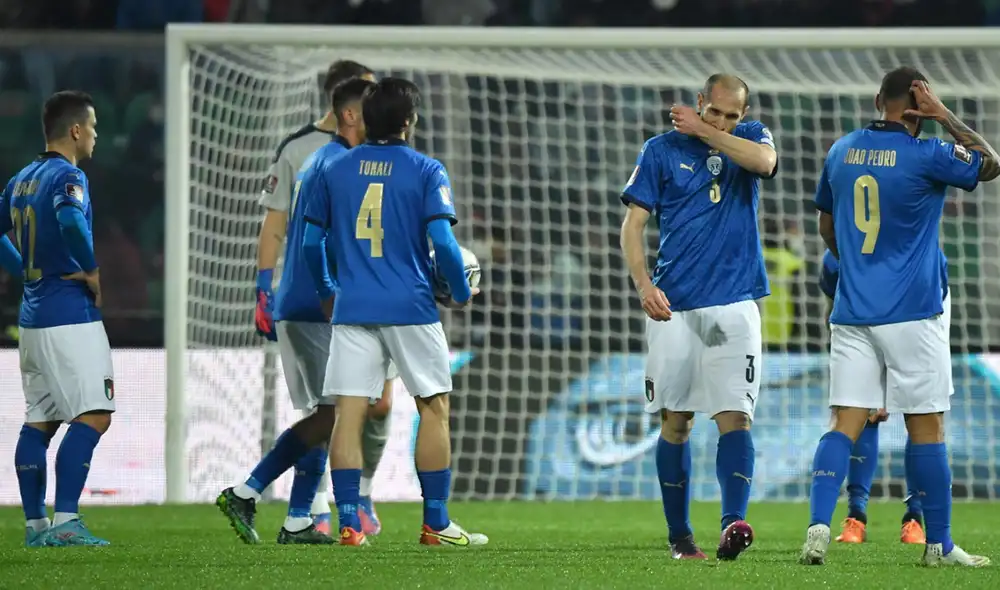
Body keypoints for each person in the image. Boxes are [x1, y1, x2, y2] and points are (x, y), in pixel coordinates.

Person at [801, 66, 999, 567]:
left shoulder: (841, 149)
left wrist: (856, 268)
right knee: (926, 427)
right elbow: (991, 163)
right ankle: (940, 545)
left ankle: (819, 529)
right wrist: (946, 116)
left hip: (852, 308)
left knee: (843, 421)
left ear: (876, 99)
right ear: (918, 107)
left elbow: (826, 224)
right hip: (913, 310)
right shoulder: (928, 152)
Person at [302, 77, 487, 547]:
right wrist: (461, 291)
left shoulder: (335, 170)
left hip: (354, 306)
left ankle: (347, 524)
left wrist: (328, 289)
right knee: (434, 408)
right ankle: (436, 524)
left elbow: (308, 243)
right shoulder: (426, 170)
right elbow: (443, 242)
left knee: (348, 413)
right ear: (410, 121)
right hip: (411, 305)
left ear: (365, 119)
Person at [219, 77, 386, 544]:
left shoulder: (330, 160)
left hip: (314, 302)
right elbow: (319, 242)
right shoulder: (334, 164)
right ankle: (247, 491)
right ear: (351, 114)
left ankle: (296, 520)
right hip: (315, 304)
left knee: (327, 411)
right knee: (334, 411)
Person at [619, 73, 777, 560]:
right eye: (716, 111)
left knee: (736, 417)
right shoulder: (660, 150)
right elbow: (633, 225)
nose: (725, 120)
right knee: (677, 422)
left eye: (734, 114)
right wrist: (644, 286)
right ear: (699, 101)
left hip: (734, 303)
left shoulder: (749, 139)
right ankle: (681, 538)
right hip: (676, 308)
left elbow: (766, 164)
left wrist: (709, 132)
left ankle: (733, 524)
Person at [2, 91, 113, 547]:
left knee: (40, 420)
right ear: (74, 130)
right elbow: (70, 221)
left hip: (33, 318)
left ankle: (35, 527)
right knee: (93, 414)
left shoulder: (22, 178)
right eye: (92, 127)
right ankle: (67, 519)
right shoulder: (69, 176)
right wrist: (91, 268)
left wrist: (25, 273)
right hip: (70, 314)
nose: (95, 135)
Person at [819, 249, 932, 546]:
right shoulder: (835, 262)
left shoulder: (920, 257)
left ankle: (914, 519)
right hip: (858, 321)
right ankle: (856, 516)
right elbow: (833, 308)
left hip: (920, 313)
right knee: (860, 411)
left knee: (920, 414)